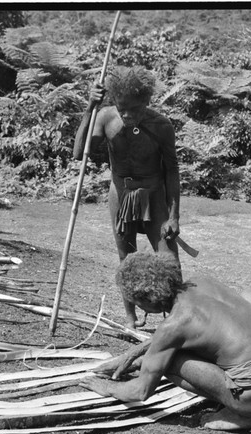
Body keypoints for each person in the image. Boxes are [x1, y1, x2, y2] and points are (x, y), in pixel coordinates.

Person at [81, 252, 251, 431]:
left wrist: (108, 387)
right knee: (249, 294)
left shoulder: (173, 326)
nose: (139, 309)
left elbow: (140, 391)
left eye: (138, 304)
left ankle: (243, 413)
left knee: (170, 360)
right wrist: (131, 355)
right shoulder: (200, 281)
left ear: (147, 299)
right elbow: (201, 330)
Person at [73, 66, 180, 330]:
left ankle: (178, 316)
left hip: (154, 194)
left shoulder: (162, 126)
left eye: (135, 109)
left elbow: (172, 172)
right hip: (120, 194)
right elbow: (78, 153)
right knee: (127, 257)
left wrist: (174, 216)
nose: (128, 115)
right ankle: (131, 319)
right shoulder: (106, 118)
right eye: (122, 109)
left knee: (169, 259)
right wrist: (90, 108)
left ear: (147, 101)